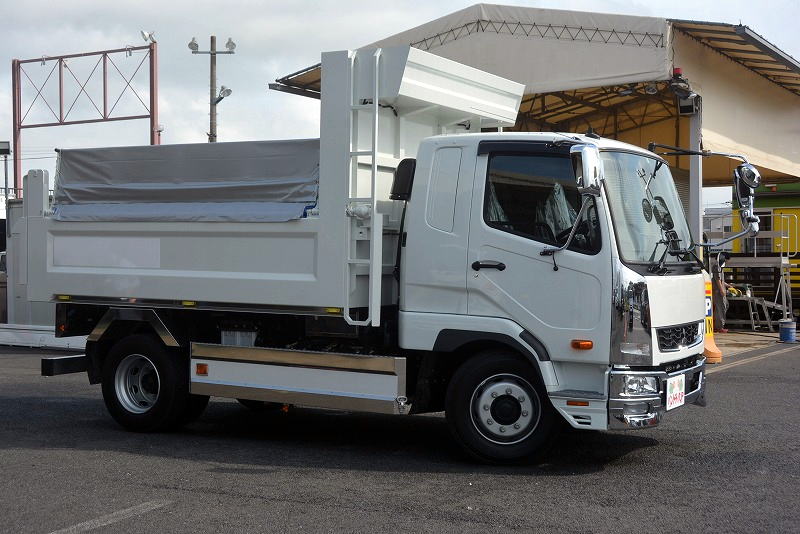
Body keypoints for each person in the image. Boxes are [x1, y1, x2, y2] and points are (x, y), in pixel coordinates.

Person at [710, 252, 732, 333]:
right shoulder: (717, 267)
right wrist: (721, 290)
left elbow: (720, 280)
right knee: (721, 307)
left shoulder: (719, 266)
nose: (726, 262)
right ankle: (719, 327)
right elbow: (717, 280)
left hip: (719, 290)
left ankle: (717, 326)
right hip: (718, 291)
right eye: (726, 260)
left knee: (723, 306)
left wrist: (727, 285)